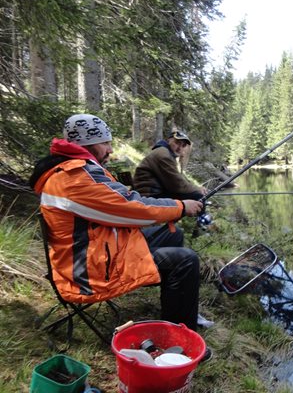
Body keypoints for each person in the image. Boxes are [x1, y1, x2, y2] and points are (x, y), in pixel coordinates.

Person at [29, 114, 204, 332]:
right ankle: (180, 334)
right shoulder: (75, 177)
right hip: (88, 274)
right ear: (87, 143)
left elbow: (118, 202)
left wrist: (175, 206)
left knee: (172, 234)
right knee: (186, 260)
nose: (110, 150)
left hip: (93, 251)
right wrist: (181, 207)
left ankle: (176, 298)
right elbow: (132, 207)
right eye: (105, 143)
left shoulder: (73, 170)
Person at [133, 131, 208, 201]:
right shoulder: (164, 155)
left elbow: (177, 179)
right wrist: (197, 189)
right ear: (169, 140)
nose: (179, 148)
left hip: (149, 193)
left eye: (183, 145)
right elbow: (178, 185)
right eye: (177, 143)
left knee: (192, 194)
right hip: (148, 196)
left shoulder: (164, 152)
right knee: (197, 195)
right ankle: (202, 215)